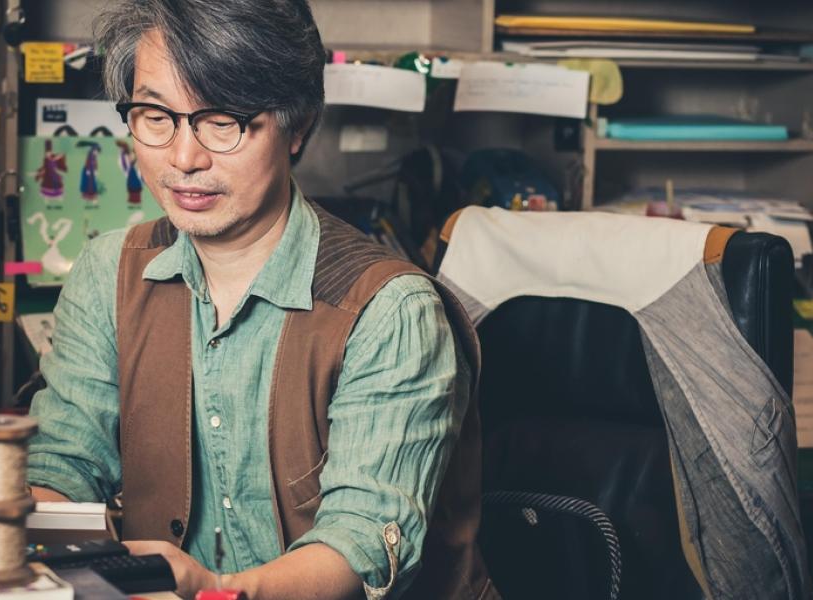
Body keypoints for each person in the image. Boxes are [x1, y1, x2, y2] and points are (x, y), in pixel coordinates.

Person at [26, 1, 495, 598]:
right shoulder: (108, 273)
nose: (184, 157)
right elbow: (64, 465)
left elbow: (358, 549)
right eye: (155, 116)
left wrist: (217, 588)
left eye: (223, 121)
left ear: (298, 126)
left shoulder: (390, 310)